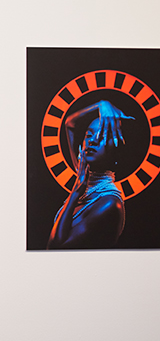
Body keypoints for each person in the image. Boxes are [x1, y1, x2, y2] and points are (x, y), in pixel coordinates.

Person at [47, 100, 131, 249]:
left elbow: (54, 248)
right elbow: (70, 123)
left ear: (117, 154)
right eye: (89, 135)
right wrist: (102, 104)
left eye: (102, 136)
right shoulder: (84, 174)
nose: (92, 141)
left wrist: (75, 193)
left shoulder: (109, 203)